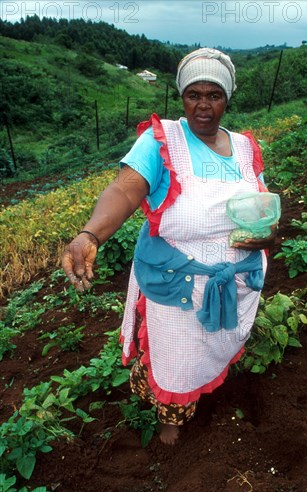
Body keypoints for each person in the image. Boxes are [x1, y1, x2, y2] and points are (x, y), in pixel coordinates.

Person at [62, 48, 277, 445]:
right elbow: (125, 191)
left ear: (228, 98)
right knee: (177, 358)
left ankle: (206, 389)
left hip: (234, 280)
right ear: (181, 96)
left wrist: (268, 234)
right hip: (179, 284)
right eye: (194, 94)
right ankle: (170, 425)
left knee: (215, 346)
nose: (203, 105)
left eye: (214, 95)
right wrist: (90, 234)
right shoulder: (162, 141)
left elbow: (260, 206)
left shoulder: (245, 148)